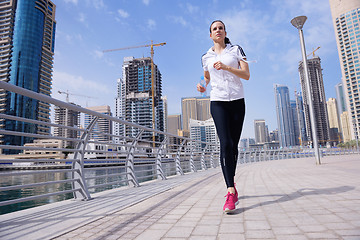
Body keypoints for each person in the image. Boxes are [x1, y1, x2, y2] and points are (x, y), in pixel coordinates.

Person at [197, 20, 250, 213]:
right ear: (210, 35)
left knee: (233, 146)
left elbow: (246, 74)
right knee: (225, 143)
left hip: (237, 101)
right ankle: (229, 191)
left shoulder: (236, 50)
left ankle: (232, 186)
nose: (218, 30)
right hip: (217, 101)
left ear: (225, 32)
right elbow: (207, 78)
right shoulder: (206, 57)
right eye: (214, 29)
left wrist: (227, 68)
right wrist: (202, 86)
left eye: (220, 28)